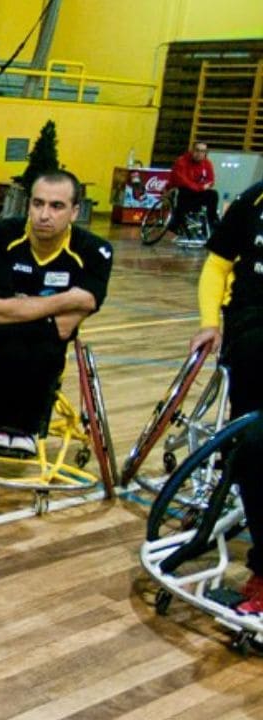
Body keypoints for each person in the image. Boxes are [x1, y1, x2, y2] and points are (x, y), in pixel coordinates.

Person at [0, 170, 113, 457]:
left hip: (38, 345)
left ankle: (24, 430)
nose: (44, 215)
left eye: (56, 206)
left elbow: (65, 328)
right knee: (11, 348)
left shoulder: (95, 251)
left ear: (75, 212)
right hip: (0, 345)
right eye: (37, 204)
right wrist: (68, 299)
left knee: (44, 349)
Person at [190, 179, 263, 613]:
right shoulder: (252, 200)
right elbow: (217, 265)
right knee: (253, 447)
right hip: (253, 328)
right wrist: (208, 321)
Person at [168, 140, 220, 234]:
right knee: (184, 190)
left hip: (196, 193)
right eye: (197, 150)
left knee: (213, 194)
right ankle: (176, 222)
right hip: (182, 193)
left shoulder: (207, 163)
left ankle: (211, 221)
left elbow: (211, 181)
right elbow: (183, 181)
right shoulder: (181, 161)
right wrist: (200, 187)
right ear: (192, 150)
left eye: (202, 151)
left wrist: (201, 187)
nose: (199, 154)